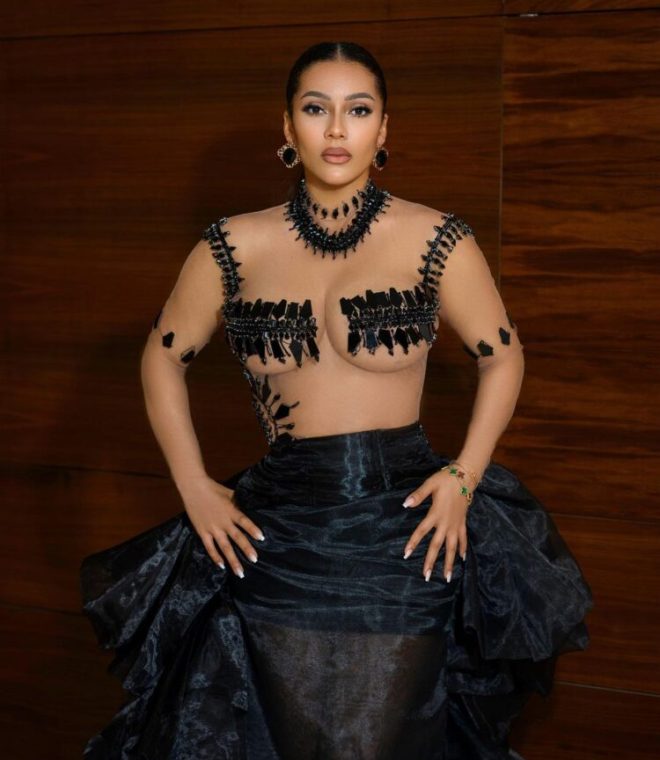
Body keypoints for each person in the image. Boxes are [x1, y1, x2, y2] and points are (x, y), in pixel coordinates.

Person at [79, 41, 593, 759]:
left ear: (384, 129)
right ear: (288, 127)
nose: (337, 129)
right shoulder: (233, 245)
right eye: (316, 109)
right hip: (273, 536)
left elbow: (503, 355)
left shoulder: (435, 238)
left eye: (359, 110)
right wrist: (193, 485)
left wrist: (463, 478)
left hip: (404, 532)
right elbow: (162, 357)